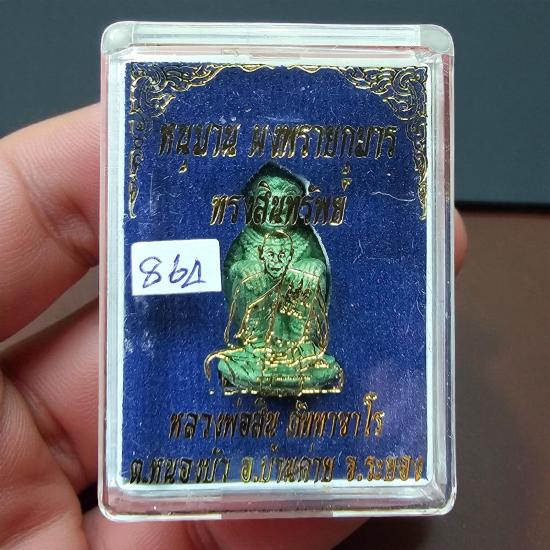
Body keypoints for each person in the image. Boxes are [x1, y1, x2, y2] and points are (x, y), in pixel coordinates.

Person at [0, 105, 467, 549]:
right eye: (267, 205)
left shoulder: (305, 240)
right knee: (250, 315)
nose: (275, 214)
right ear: (256, 206)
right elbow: (236, 278)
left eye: (284, 206)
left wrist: (301, 277)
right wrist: (261, 276)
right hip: (257, 336)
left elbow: (320, 275)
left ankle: (296, 357)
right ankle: (261, 359)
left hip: (296, 337)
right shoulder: (246, 241)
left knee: (309, 302)